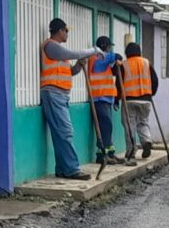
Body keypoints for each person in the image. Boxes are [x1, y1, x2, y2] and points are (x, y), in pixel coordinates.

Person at [40, 18, 103, 180]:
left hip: (60, 94)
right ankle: (73, 169)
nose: (67, 34)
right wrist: (93, 50)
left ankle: (62, 169)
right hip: (53, 93)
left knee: (60, 133)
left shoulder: (59, 51)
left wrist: (79, 65)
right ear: (59, 31)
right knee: (65, 132)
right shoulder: (51, 46)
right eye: (66, 31)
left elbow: (71, 72)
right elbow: (74, 53)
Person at [120, 42, 160, 165]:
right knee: (143, 122)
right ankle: (146, 140)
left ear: (127, 53)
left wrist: (117, 98)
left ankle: (131, 151)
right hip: (146, 99)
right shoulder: (146, 63)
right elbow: (155, 80)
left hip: (129, 99)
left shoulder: (124, 64)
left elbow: (119, 83)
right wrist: (151, 93)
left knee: (129, 125)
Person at [88, 36, 124, 166]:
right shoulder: (97, 58)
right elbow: (117, 56)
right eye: (109, 47)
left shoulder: (102, 60)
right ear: (104, 47)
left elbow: (113, 67)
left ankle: (110, 152)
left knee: (108, 127)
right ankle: (102, 154)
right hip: (99, 97)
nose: (110, 50)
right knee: (105, 126)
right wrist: (116, 59)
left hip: (106, 98)